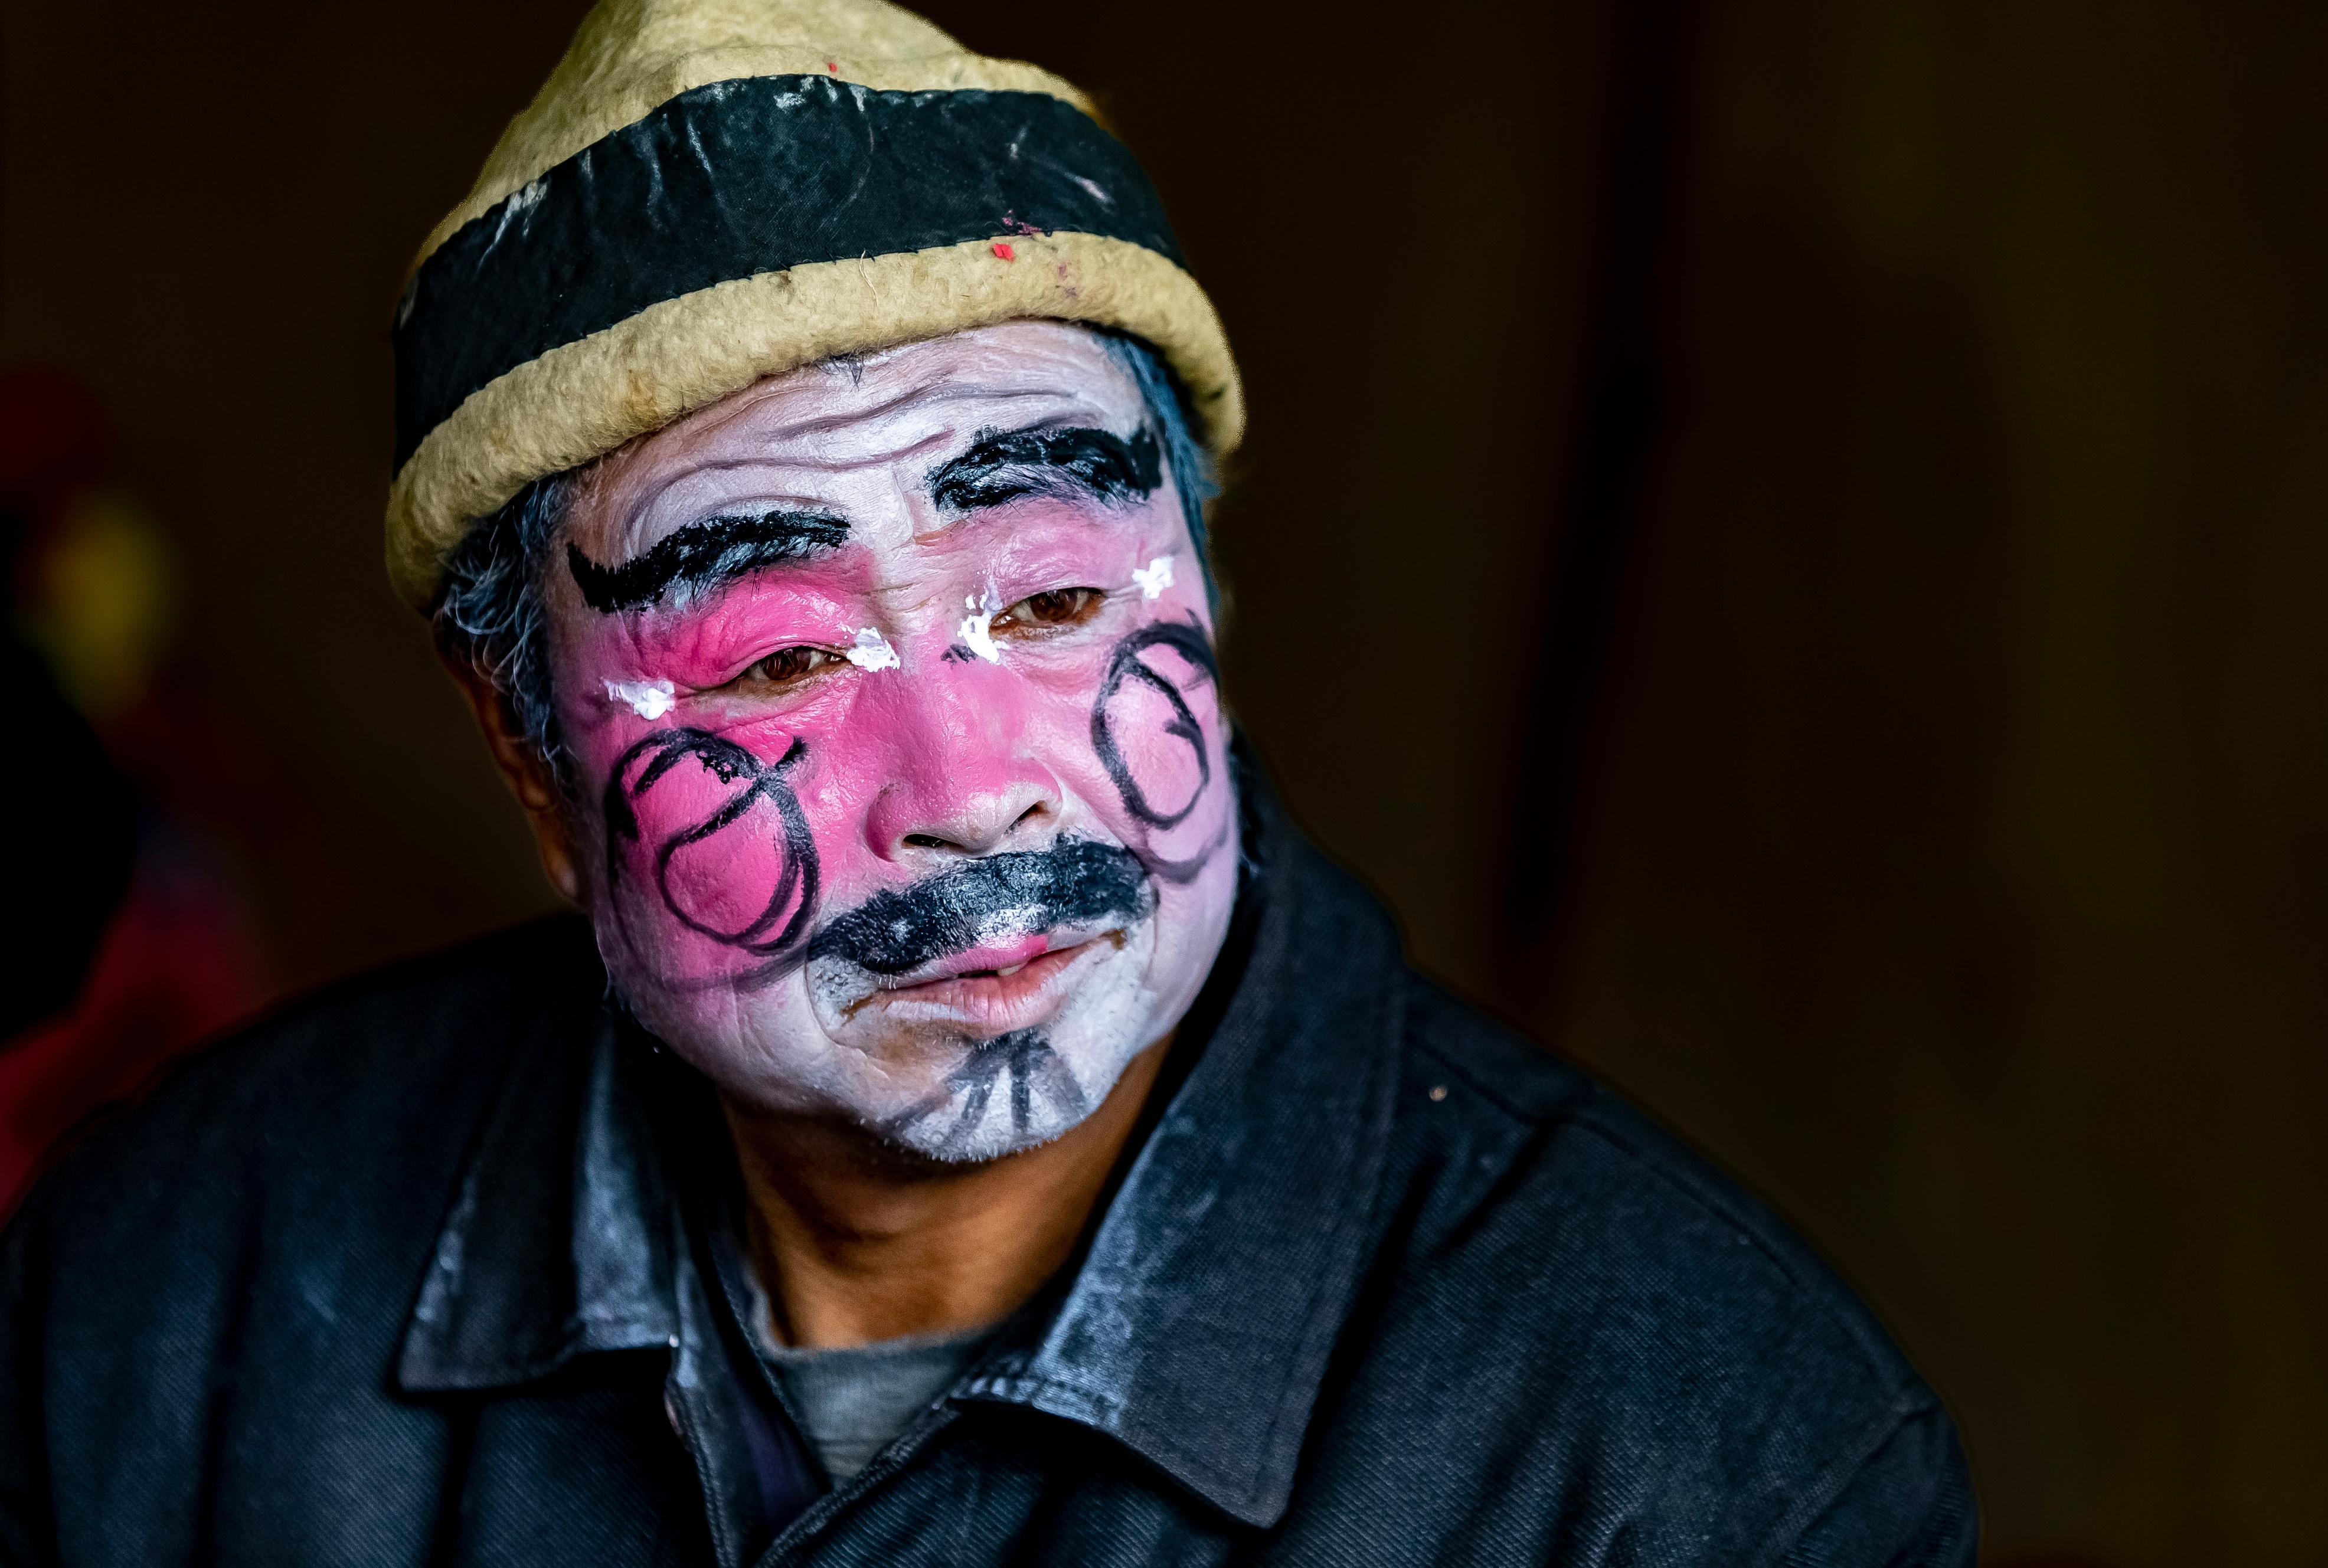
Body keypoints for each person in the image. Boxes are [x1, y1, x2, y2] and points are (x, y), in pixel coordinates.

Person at [0, 1, 1977, 1562]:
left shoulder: (1701, 1467)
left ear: (1202, 591)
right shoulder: (172, 1304)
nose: (970, 795)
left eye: (1046, 598)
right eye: (774, 656)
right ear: (526, 747)